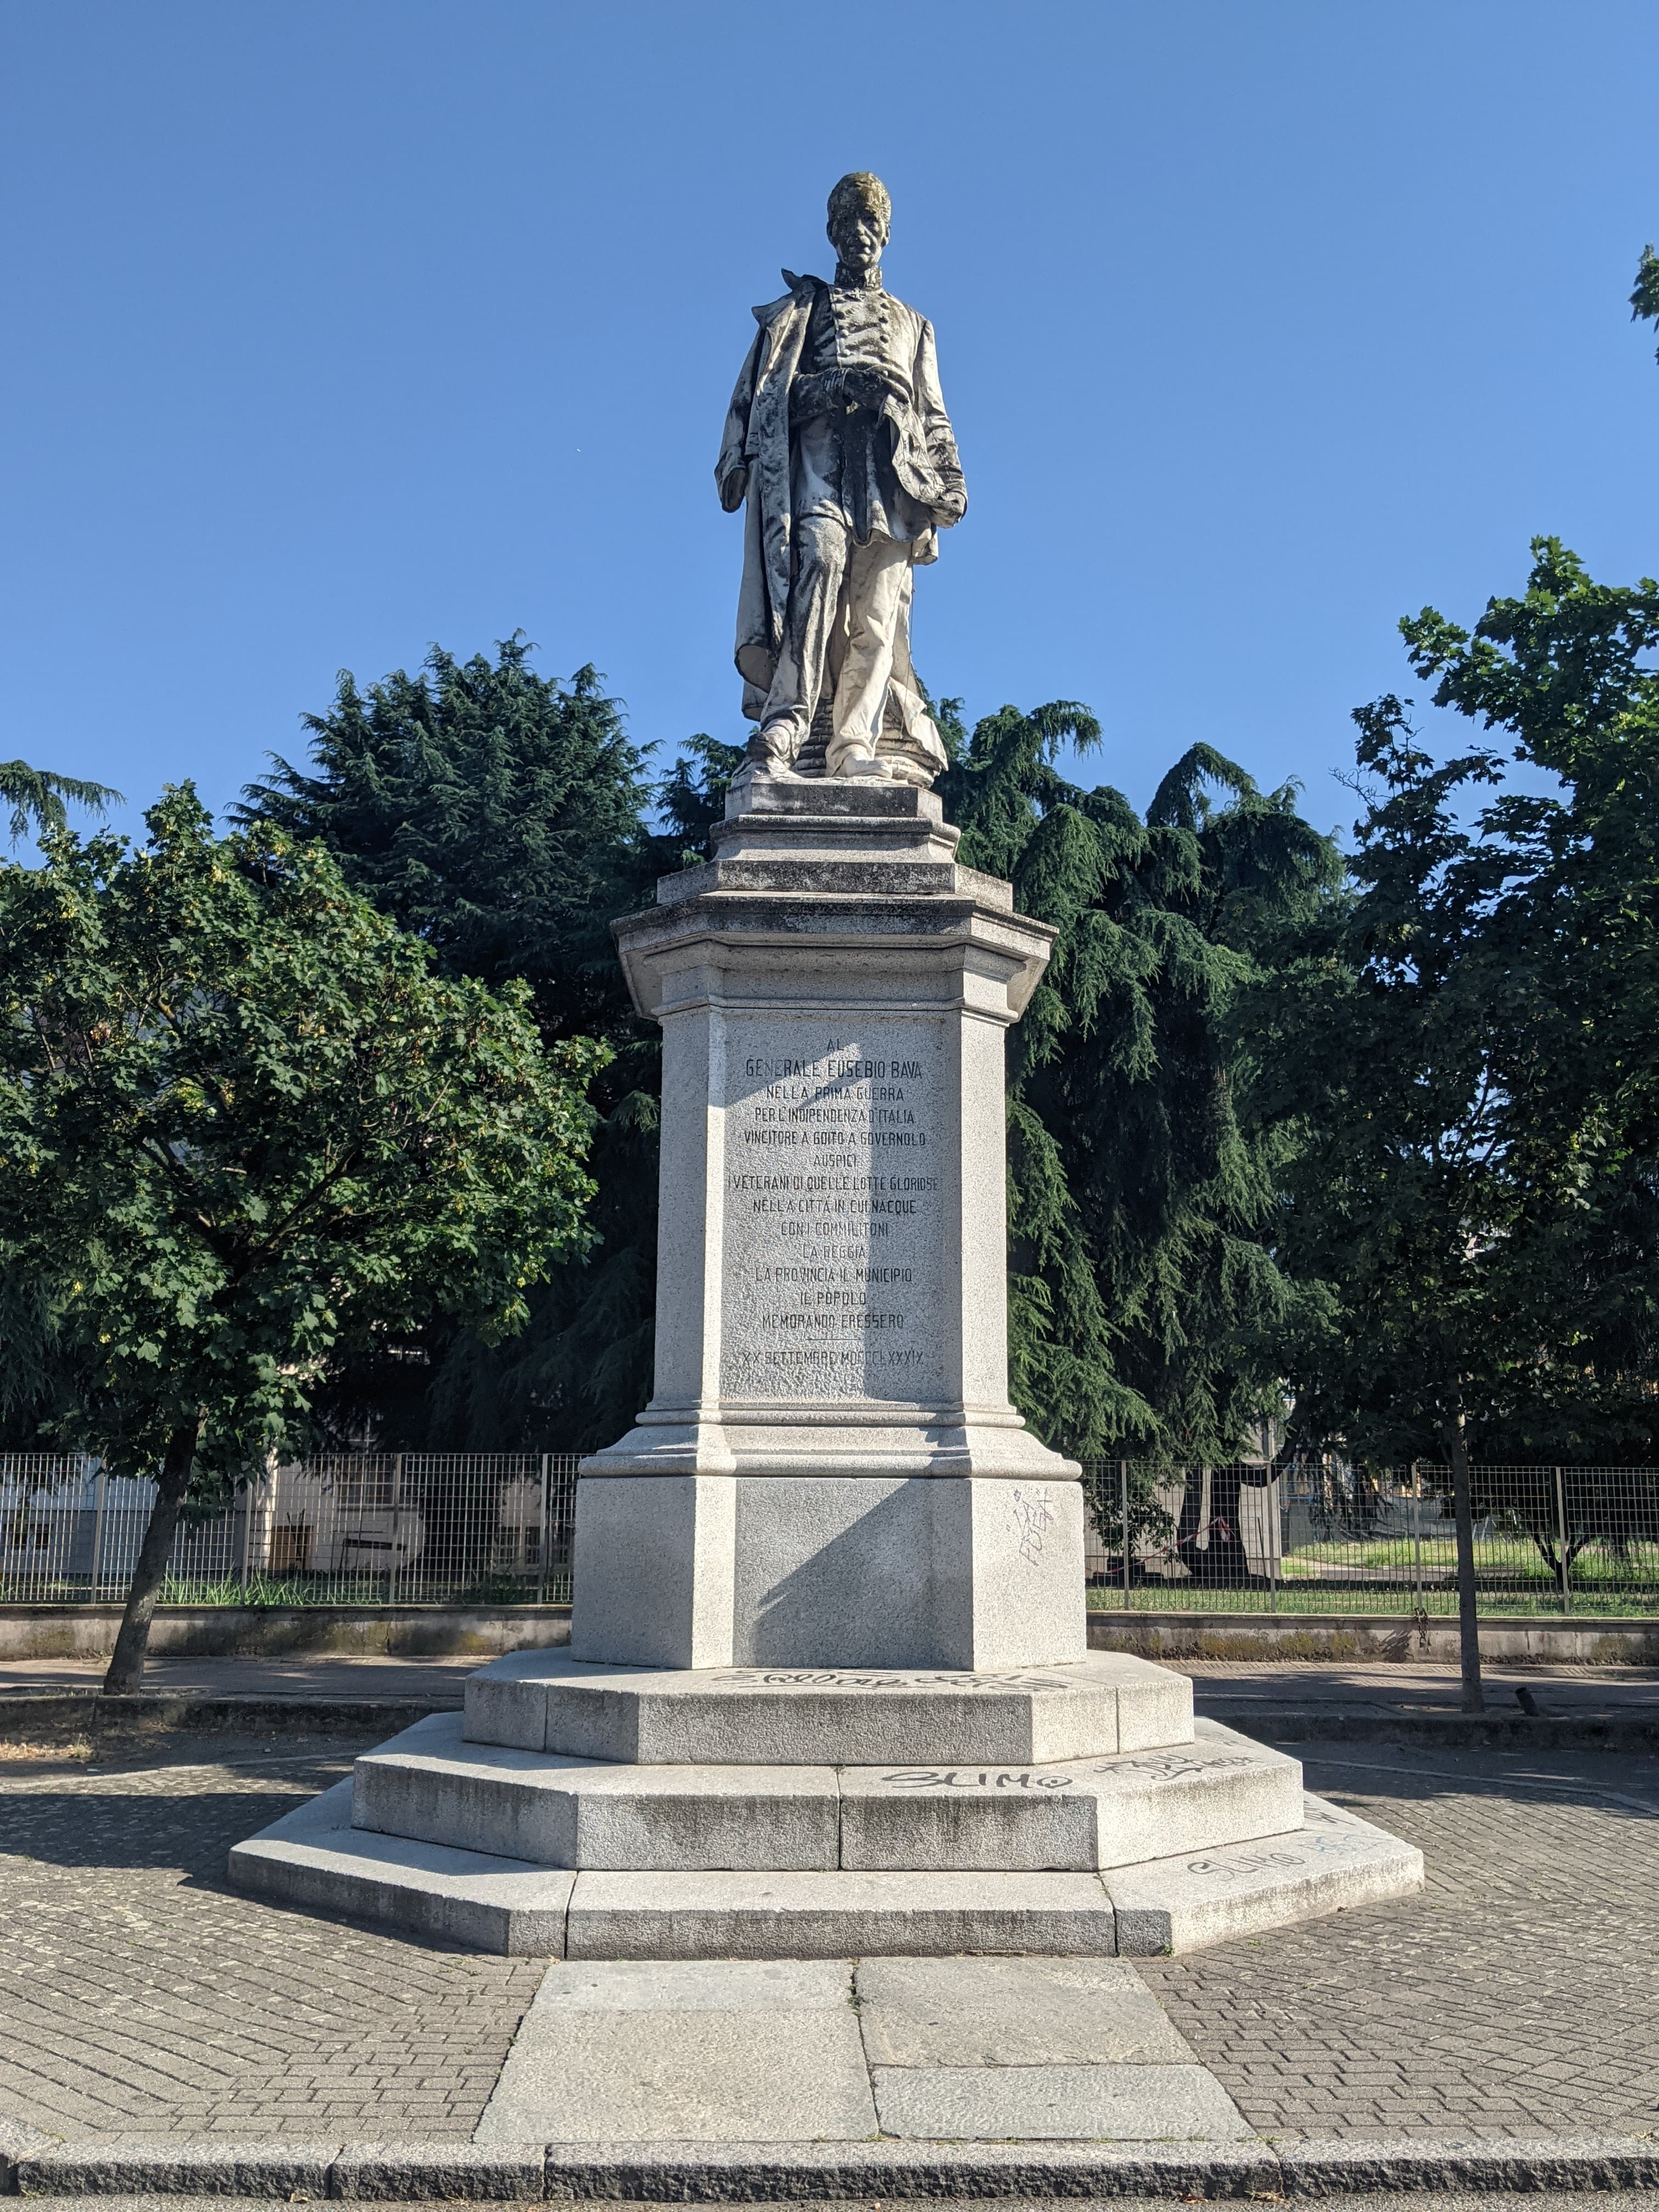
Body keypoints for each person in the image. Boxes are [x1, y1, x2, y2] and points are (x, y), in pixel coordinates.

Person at [715, 173, 967, 785]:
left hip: (893, 484)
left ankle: (855, 743)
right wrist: (839, 386)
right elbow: (773, 397)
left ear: (885, 237)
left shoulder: (914, 324)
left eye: (872, 227)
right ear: (832, 234)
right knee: (819, 570)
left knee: (878, 617)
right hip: (819, 474)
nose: (861, 237)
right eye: (850, 226)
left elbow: (932, 413)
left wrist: (951, 477)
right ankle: (788, 718)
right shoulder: (804, 312)